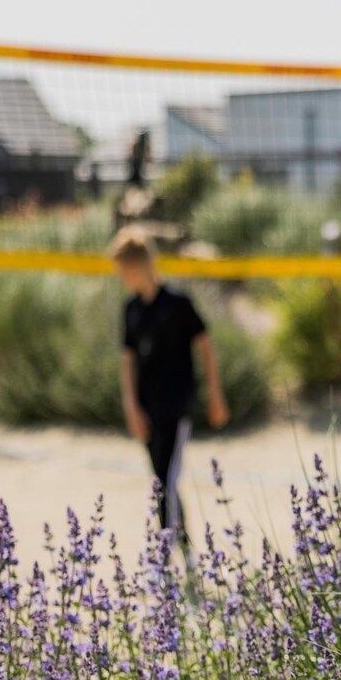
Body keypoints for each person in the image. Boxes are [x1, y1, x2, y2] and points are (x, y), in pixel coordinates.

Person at [112, 227, 228, 542]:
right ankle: (182, 542)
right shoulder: (132, 310)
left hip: (177, 405)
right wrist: (131, 408)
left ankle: (169, 549)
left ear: (139, 265)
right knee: (161, 480)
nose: (121, 276)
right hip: (147, 407)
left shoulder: (178, 303)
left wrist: (215, 396)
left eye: (124, 268)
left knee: (166, 479)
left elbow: (205, 346)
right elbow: (128, 361)